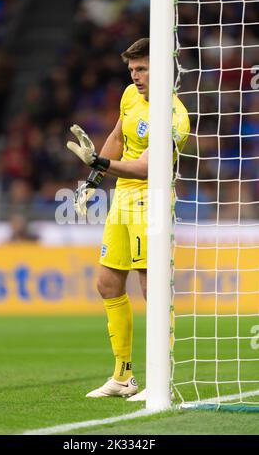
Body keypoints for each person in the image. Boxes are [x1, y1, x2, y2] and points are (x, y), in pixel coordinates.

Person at [67, 38, 190, 399]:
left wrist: (99, 164)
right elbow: (118, 136)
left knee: (152, 289)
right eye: (132, 70)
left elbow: (146, 168)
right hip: (122, 199)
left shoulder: (175, 117)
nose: (136, 76)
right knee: (107, 284)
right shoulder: (129, 96)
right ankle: (123, 377)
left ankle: (161, 379)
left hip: (150, 201)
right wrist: (93, 181)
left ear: (164, 68)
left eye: (143, 69)